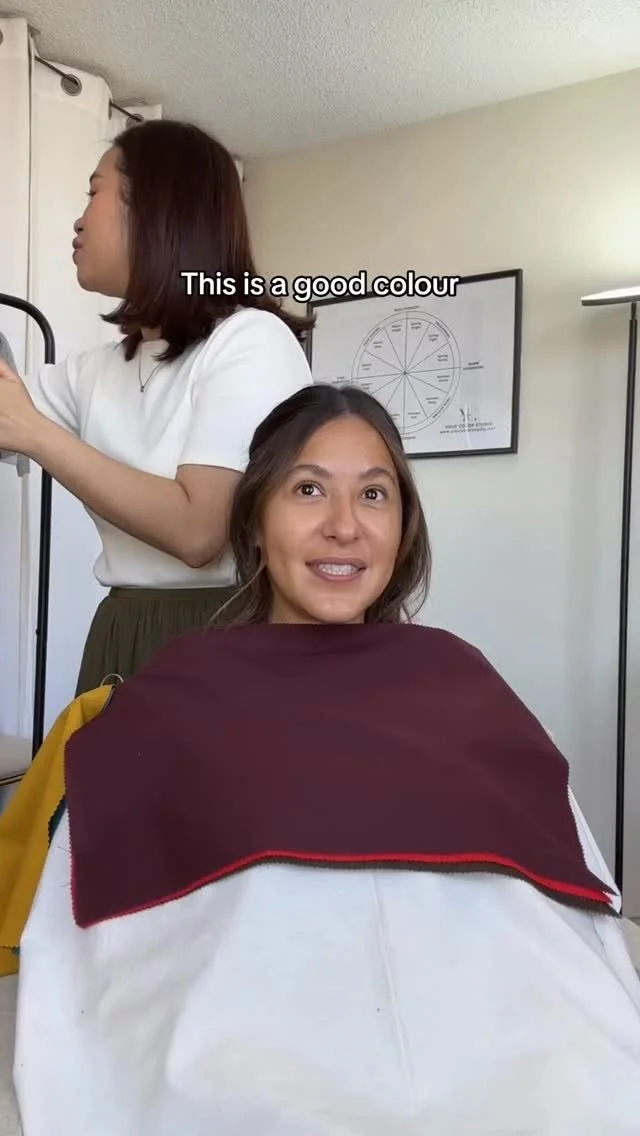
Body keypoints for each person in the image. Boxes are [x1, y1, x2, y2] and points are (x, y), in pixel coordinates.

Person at [7, 384, 640, 1135]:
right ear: (255, 519)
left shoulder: (462, 679)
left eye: (373, 495)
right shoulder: (174, 694)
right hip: (245, 1048)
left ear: (403, 527)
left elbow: (566, 908)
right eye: (308, 490)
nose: (344, 526)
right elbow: (110, 941)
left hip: (504, 1039)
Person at [0, 118, 313, 694]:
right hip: (120, 630)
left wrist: (36, 435)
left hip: (220, 636)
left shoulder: (250, 340)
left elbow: (199, 532)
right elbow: (8, 405)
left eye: (93, 192)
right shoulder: (96, 371)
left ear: (152, 210)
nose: (79, 219)